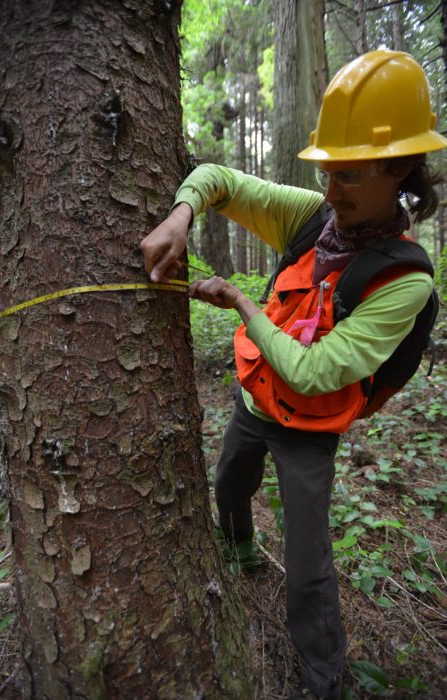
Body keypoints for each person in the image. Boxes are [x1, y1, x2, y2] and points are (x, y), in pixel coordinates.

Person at [140, 50, 447, 700]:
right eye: (327, 173)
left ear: (398, 172)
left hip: (309, 427)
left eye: (350, 176)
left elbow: (313, 373)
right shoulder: (313, 216)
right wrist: (182, 212)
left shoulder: (405, 279)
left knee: (307, 567)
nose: (331, 192)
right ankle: (241, 551)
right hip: (254, 400)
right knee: (228, 484)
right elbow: (218, 177)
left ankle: (321, 680)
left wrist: (242, 304)